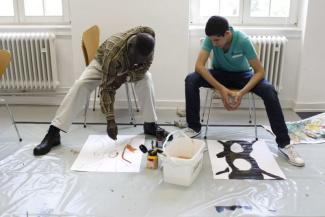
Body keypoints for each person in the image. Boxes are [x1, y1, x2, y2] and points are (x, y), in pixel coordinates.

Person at [184, 16, 304, 167]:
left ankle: (284, 144)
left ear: (226, 34)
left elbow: (260, 71)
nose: (213, 43)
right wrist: (221, 89)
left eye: (216, 40)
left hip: (243, 76)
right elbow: (199, 67)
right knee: (191, 79)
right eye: (212, 40)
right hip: (220, 73)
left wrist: (241, 93)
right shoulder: (211, 38)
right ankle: (194, 127)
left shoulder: (242, 40)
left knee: (269, 90)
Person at [34, 26, 169, 156]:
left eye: (141, 59)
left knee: (147, 78)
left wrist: (126, 76)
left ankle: (150, 124)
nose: (137, 62)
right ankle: (53, 132)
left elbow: (144, 68)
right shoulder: (113, 53)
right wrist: (110, 119)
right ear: (130, 47)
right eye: (135, 58)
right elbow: (107, 88)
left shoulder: (148, 45)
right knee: (80, 85)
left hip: (126, 70)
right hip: (102, 64)